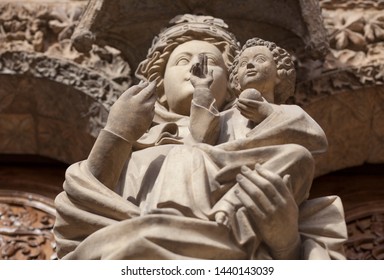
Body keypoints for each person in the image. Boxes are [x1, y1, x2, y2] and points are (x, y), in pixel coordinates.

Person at [54, 14, 347, 260]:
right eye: (182, 61)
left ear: (232, 84)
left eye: (210, 61)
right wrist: (117, 133)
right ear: (158, 81)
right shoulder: (134, 143)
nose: (196, 69)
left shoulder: (251, 132)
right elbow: (78, 210)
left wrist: (286, 242)